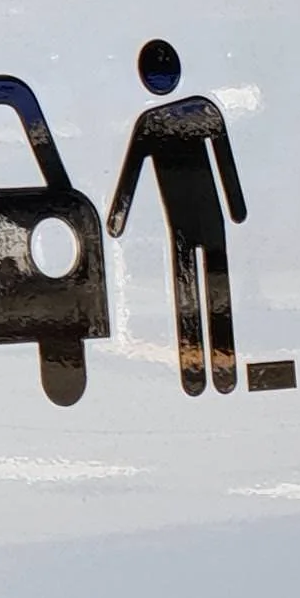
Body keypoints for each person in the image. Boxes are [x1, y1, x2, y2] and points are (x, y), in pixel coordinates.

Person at [106, 39, 245, 394]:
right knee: (212, 290)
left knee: (197, 293)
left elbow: (129, 180)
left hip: (183, 222)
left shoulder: (153, 122)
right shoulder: (196, 112)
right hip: (203, 219)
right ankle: (210, 366)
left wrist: (117, 219)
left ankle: (199, 367)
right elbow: (225, 165)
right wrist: (235, 206)